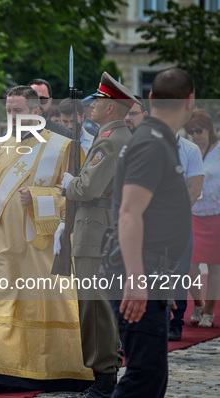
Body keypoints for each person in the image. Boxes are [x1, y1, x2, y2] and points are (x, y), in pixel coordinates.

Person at [0, 85, 93, 392]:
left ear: (36, 112)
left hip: (43, 243)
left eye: (18, 111)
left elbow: (77, 194)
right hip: (5, 243)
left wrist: (43, 199)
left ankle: (59, 366)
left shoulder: (64, 146)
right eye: (9, 111)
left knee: (48, 301)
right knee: (3, 302)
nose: (11, 116)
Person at [109, 67, 193, 398]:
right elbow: (130, 213)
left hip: (151, 269)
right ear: (190, 101)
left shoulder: (155, 139)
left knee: (152, 377)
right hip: (137, 270)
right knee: (143, 376)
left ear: (151, 99)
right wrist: (137, 280)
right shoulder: (152, 144)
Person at [59, 72, 139, 398]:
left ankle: (103, 376)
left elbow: (88, 186)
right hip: (112, 229)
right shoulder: (126, 137)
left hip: (96, 231)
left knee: (94, 308)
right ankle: (108, 369)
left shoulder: (109, 140)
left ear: (111, 108)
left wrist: (68, 183)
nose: (92, 105)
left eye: (99, 100)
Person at [167, 113, 204, 341]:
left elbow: (195, 189)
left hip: (179, 221)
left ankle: (177, 321)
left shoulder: (190, 150)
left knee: (179, 271)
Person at [187, 109, 220, 328]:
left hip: (216, 216)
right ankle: (198, 302)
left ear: (209, 128)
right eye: (191, 132)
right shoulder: (190, 151)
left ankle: (210, 308)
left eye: (199, 130)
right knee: (189, 266)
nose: (196, 136)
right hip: (192, 214)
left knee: (215, 265)